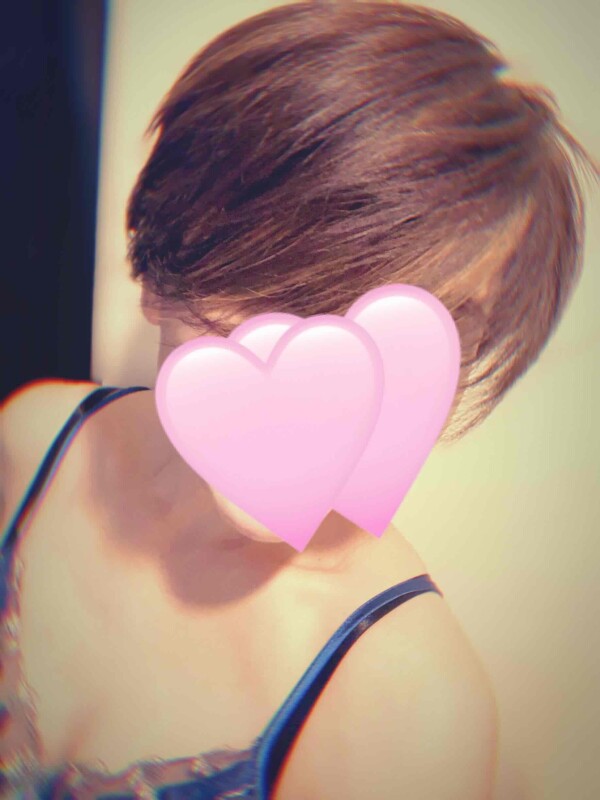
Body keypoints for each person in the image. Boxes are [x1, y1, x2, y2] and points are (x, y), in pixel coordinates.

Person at [1, 1, 598, 798]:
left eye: (422, 330)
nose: (339, 389)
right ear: (162, 270)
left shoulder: (405, 707)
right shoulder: (32, 441)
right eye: (296, 295)